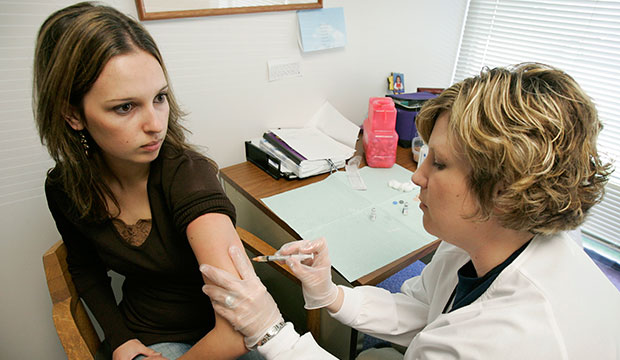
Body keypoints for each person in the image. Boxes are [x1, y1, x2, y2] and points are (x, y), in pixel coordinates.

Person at [199, 63, 620, 359]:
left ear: (505, 191)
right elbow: (422, 311)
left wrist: (270, 331)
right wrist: (330, 293)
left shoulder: (500, 342)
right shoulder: (488, 238)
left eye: (438, 163)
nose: (417, 177)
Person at [34, 3, 260, 359]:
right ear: (73, 115)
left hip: (224, 336)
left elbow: (237, 333)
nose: (155, 124)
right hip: (148, 332)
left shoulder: (188, 176)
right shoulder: (65, 188)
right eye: (125, 107)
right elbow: (86, 268)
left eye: (159, 98)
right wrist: (121, 340)